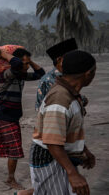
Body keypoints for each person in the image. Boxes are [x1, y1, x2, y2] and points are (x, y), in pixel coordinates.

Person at [18, 50, 96, 195]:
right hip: (50, 157)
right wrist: (72, 173)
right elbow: (52, 141)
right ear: (88, 74)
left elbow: (68, 129)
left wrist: (84, 150)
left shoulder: (71, 94)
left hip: (60, 156)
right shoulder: (60, 99)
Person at [0, 47, 45, 190]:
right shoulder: (7, 74)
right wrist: (3, 54)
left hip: (11, 115)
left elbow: (41, 73)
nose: (26, 67)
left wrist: (29, 61)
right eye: (25, 64)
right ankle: (10, 179)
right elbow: (15, 65)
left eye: (28, 64)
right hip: (3, 114)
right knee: (15, 149)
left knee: (6, 146)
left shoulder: (21, 76)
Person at [35, 38, 78, 112]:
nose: (76, 60)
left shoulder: (68, 76)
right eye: (73, 57)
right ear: (59, 60)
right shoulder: (49, 80)